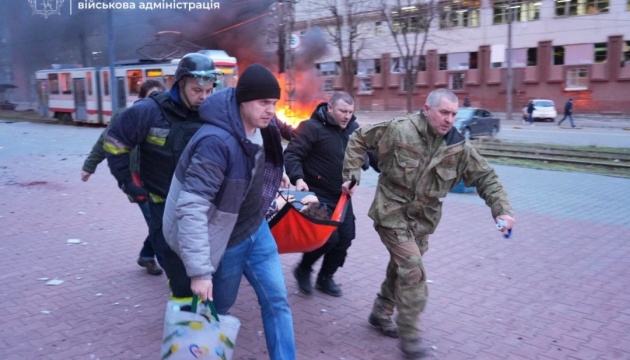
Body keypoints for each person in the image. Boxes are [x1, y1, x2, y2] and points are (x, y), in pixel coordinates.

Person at [340, 88, 515, 359]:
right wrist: (352, 175)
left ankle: (380, 312)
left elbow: (486, 178)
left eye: (454, 114)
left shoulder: (458, 147)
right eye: (444, 112)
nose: (449, 119)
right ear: (426, 109)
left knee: (401, 268)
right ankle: (410, 339)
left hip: (423, 222)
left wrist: (501, 210)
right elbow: (359, 138)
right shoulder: (400, 130)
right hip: (391, 212)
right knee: (412, 270)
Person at [162, 64, 296, 360]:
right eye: (264, 102)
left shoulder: (264, 124)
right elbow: (191, 207)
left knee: (277, 300)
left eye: (274, 103)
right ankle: (191, 352)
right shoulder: (215, 142)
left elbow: (264, 156)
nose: (270, 110)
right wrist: (199, 272)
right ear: (243, 101)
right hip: (226, 238)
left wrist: (279, 173)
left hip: (255, 228)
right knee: (215, 309)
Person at [104, 53, 222, 269]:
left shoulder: (215, 113)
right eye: (197, 90)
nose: (204, 97)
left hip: (203, 206)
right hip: (164, 205)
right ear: (180, 83)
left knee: (205, 265)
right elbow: (115, 143)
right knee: (176, 268)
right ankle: (181, 299)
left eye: (209, 90)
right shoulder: (148, 111)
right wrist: (127, 182)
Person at [82, 79, 166, 275]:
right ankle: (174, 277)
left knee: (160, 223)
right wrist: (89, 166)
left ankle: (146, 256)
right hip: (137, 181)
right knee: (159, 226)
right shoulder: (127, 116)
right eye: (152, 95)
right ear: (142, 97)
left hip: (160, 181)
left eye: (159, 95)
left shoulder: (165, 116)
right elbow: (105, 140)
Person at [284, 91, 358, 297]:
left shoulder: (354, 129)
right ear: (330, 108)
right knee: (328, 237)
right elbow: (291, 155)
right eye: (343, 111)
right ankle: (304, 268)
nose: (347, 116)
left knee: (345, 238)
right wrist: (298, 178)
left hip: (342, 196)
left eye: (350, 112)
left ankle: (326, 278)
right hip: (315, 195)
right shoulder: (310, 128)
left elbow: (364, 155)